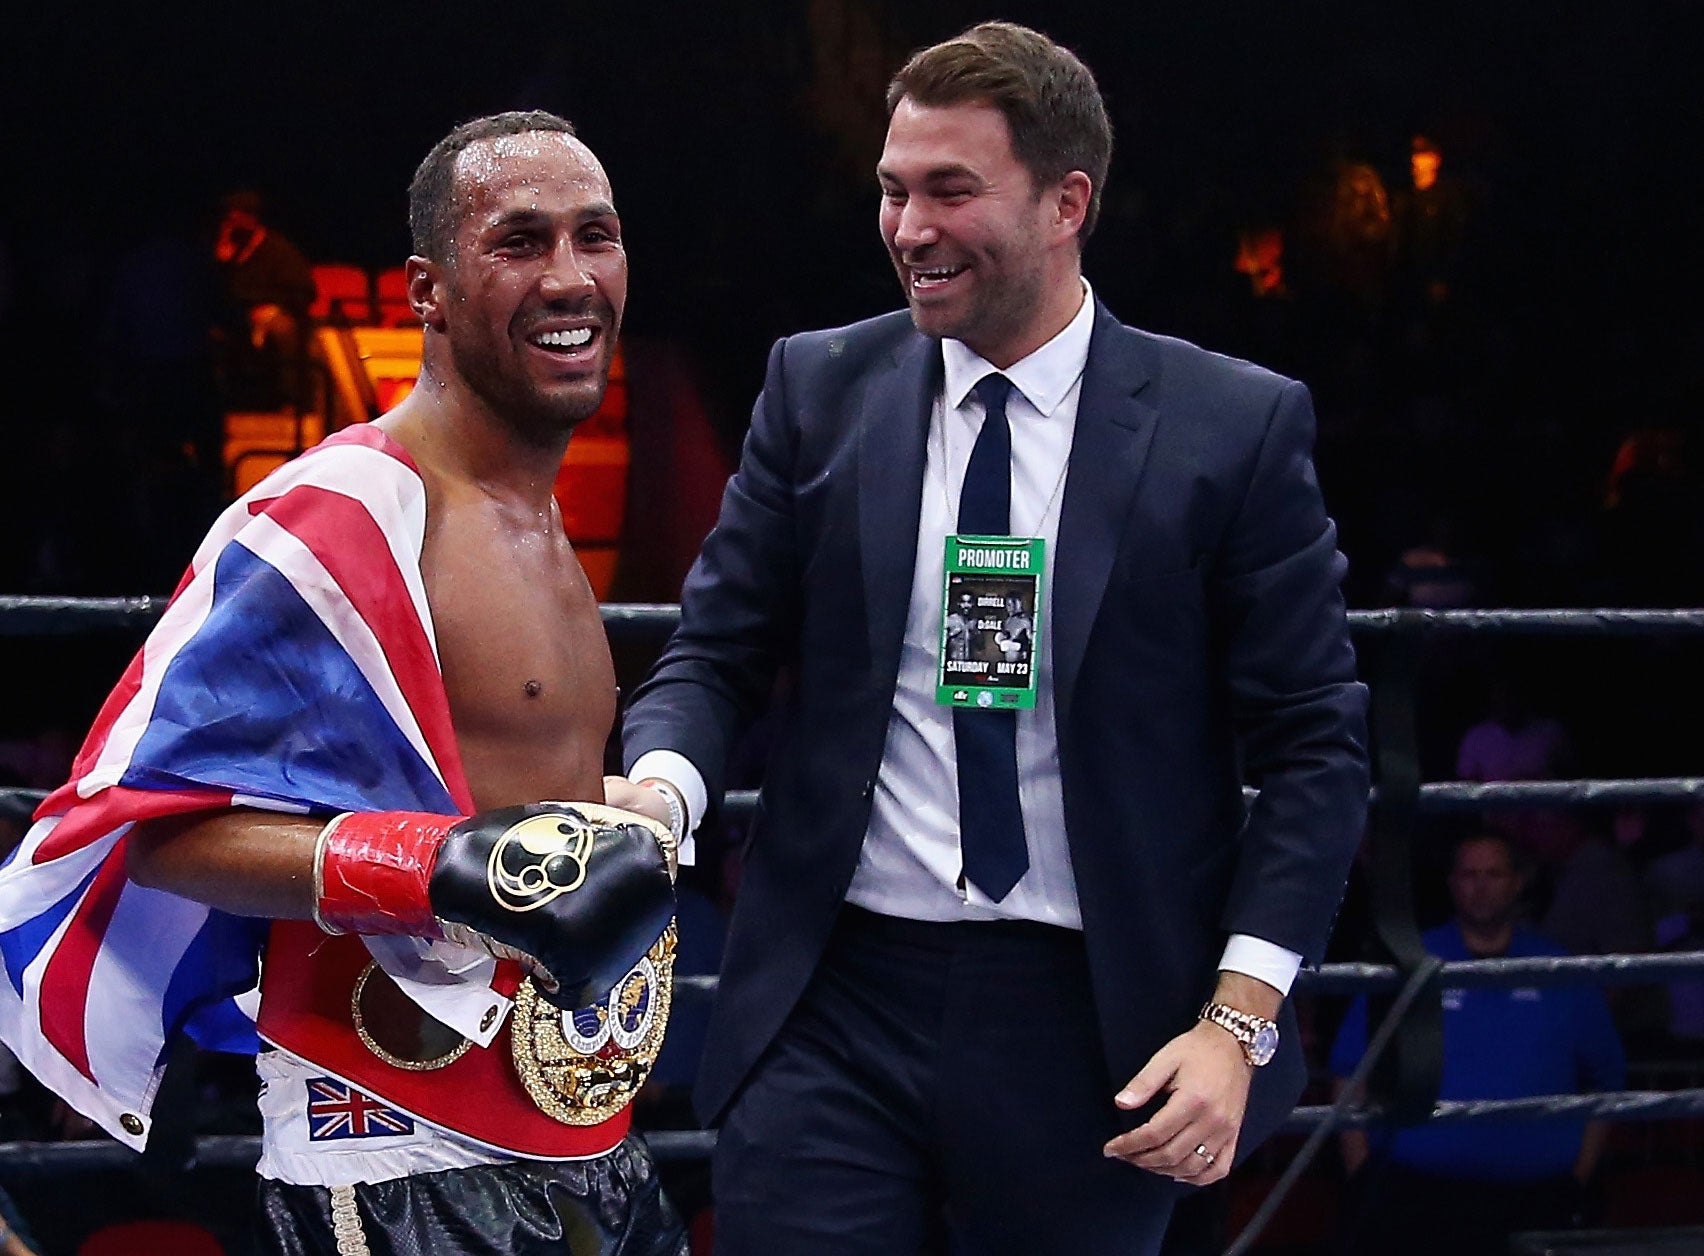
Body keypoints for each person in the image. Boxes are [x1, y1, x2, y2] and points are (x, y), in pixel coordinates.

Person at [619, 22, 1368, 1255]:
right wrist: (662, 791)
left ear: (1068, 200)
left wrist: (1240, 1021)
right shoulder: (818, 387)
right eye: (892, 190)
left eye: (950, 190)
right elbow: (717, 647)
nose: (909, 227)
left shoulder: (1229, 425)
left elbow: (1315, 747)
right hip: (833, 997)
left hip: (1096, 1020)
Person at [0, 112, 688, 1255]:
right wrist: (437, 868)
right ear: (428, 289)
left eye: (594, 235)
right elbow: (143, 826)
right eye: (519, 241)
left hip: (587, 1137)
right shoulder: (343, 516)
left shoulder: (537, 513)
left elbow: (486, 789)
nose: (570, 276)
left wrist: (636, 807)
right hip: (398, 1151)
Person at [1330, 833, 1626, 1256]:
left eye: (1493, 874)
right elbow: (1349, 1072)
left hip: (1538, 1202)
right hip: (1419, 1203)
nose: (1481, 885)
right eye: (1469, 874)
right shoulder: (1412, 965)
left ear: (1517, 882)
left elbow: (1608, 1079)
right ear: (1452, 883)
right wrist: (1363, 1180)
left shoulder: (1559, 969)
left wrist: (1578, 1178)